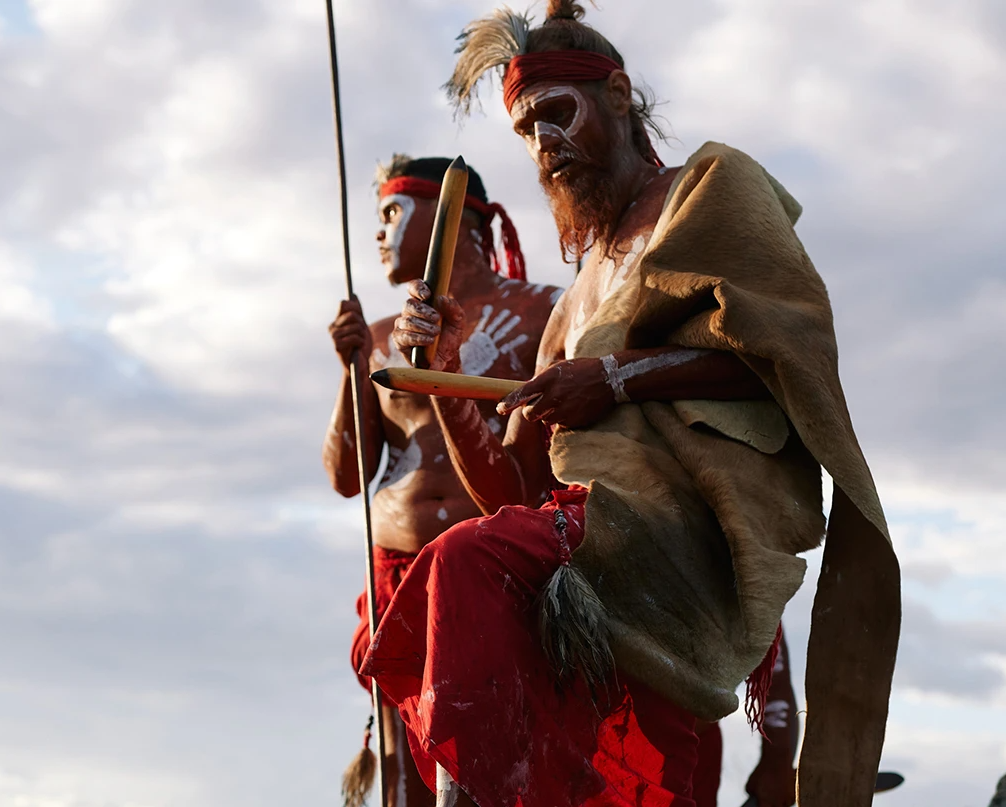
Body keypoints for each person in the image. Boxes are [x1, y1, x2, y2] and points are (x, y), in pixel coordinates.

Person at [371, 3, 900, 805]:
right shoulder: (568, 309)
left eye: (557, 113)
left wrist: (616, 379)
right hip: (592, 561)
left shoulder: (710, 187)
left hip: (677, 542)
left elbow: (791, 362)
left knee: (466, 560)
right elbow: (511, 490)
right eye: (525, 130)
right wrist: (445, 376)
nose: (544, 144)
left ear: (618, 95)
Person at [324, 154, 560, 807]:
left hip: (494, 564)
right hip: (395, 566)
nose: (379, 233)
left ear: (449, 215)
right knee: (405, 761)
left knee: (492, 753)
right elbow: (347, 476)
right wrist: (351, 369)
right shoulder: (374, 338)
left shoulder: (547, 312)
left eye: (393, 213)